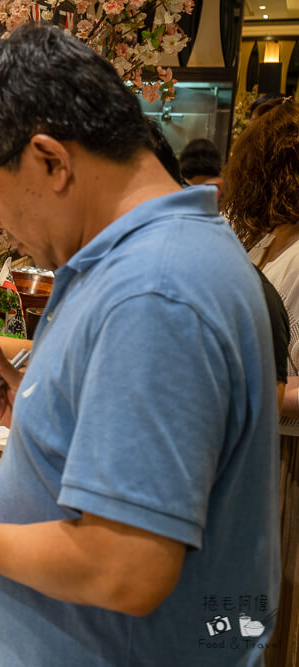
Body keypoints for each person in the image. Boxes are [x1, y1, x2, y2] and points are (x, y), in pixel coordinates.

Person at [0, 24, 280, 665]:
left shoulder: (154, 290)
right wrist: (53, 410)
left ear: (51, 159)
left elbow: (124, 568)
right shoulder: (147, 255)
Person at [221, 98, 299, 667]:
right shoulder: (267, 240)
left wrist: (258, 395)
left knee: (274, 620)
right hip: (252, 450)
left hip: (287, 461)